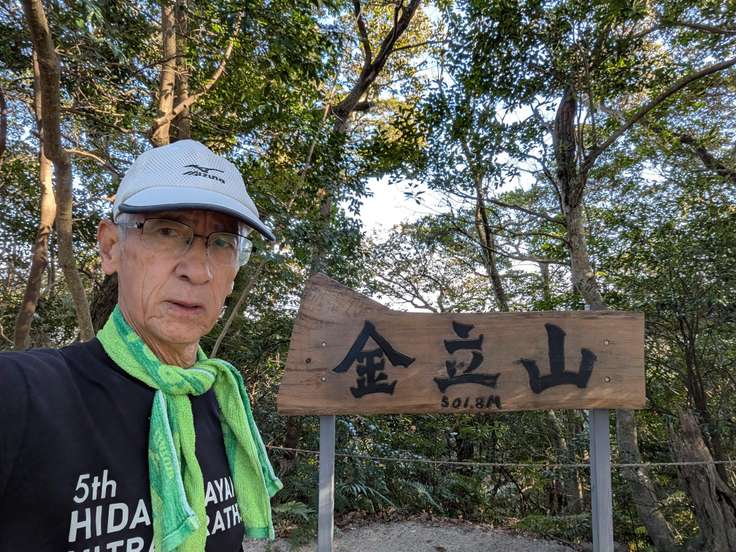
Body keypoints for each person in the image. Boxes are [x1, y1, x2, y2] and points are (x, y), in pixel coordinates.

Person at [0, 140, 282, 551]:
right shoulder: (24, 395)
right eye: (167, 231)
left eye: (222, 243)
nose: (198, 271)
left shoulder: (223, 407)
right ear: (111, 247)